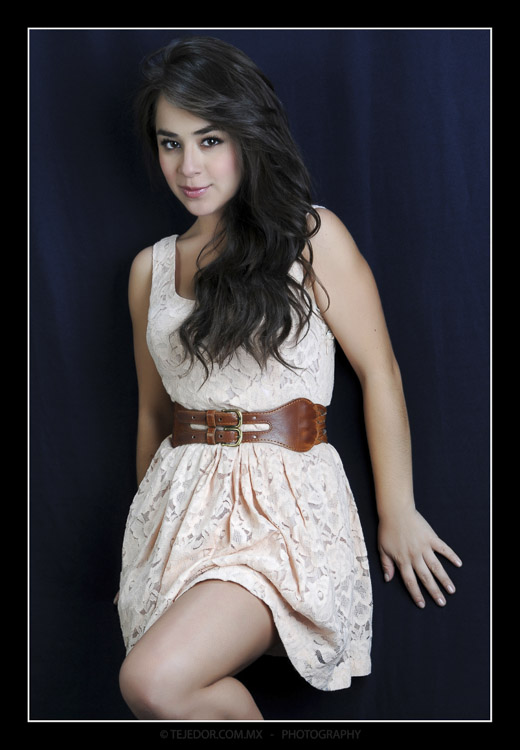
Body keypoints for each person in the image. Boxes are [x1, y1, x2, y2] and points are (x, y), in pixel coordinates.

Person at [116, 36, 462, 721]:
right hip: (177, 515)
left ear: (247, 135)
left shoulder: (310, 237)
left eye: (210, 140)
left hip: (283, 515)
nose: (188, 166)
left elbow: (380, 371)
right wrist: (147, 529)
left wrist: (397, 510)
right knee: (163, 689)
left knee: (152, 682)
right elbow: (153, 416)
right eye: (170, 143)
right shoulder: (149, 270)